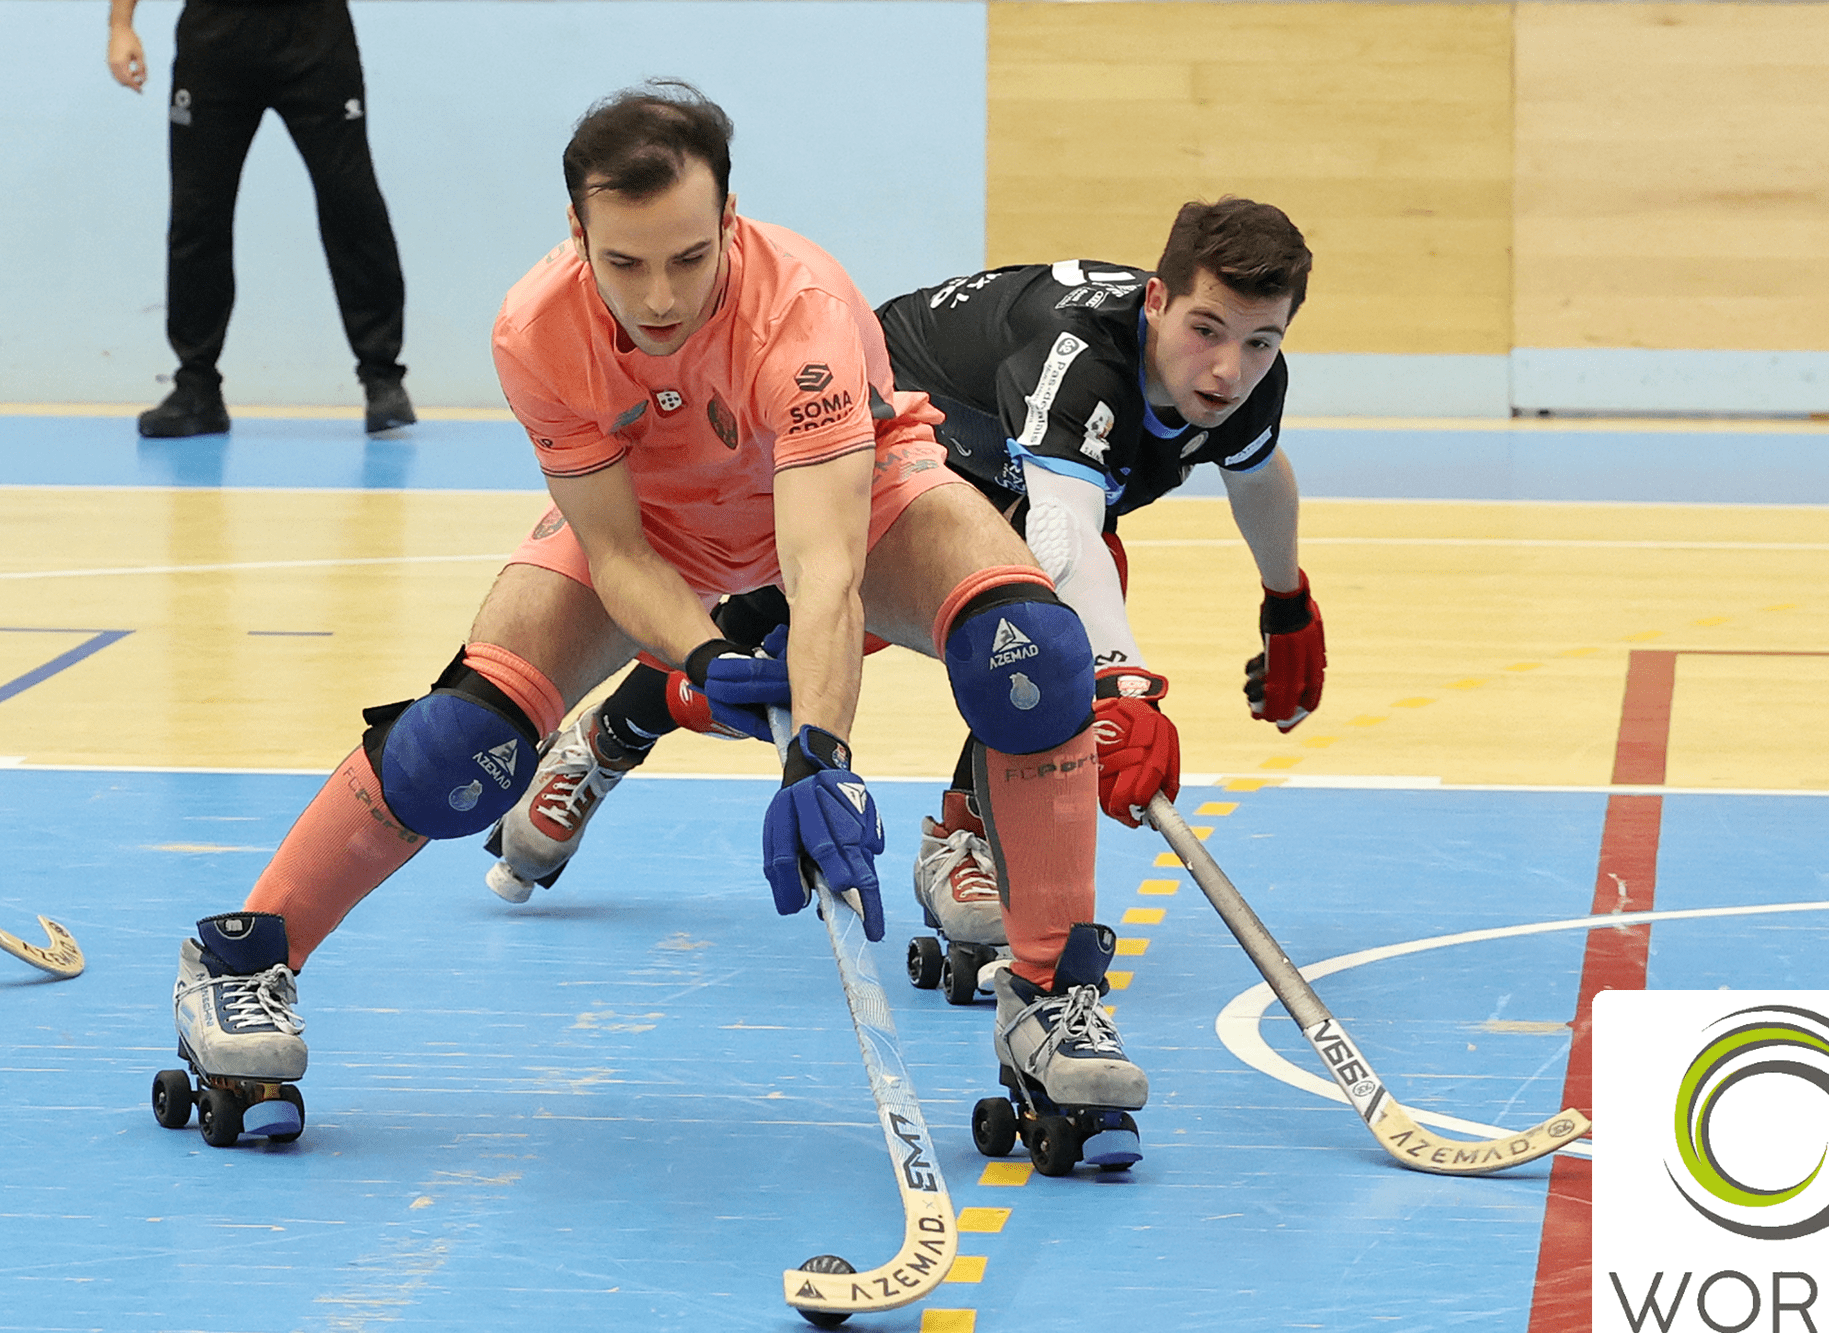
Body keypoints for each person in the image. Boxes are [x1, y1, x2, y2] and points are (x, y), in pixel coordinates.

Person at [162, 81, 1147, 1165]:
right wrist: (705, 654)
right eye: (624, 263)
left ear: (730, 219)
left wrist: (821, 755)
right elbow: (620, 553)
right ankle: (241, 961)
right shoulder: (535, 328)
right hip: (657, 524)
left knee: (1031, 652)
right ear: (577, 233)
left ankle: (1050, 996)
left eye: (688, 257)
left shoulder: (805, 313)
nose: (660, 294)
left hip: (862, 500)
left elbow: (823, 571)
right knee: (459, 746)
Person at [485, 197, 1325, 983]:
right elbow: (1065, 529)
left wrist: (1286, 602)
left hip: (1007, 473)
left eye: (1261, 342)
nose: (1229, 369)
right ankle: (605, 741)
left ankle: (968, 838)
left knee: (1030, 638)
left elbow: (1256, 474)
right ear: (1156, 302)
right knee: (769, 660)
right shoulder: (1081, 362)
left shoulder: (1246, 378)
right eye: (1206, 330)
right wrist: (1120, 686)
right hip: (899, 415)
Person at [107, 0, 416, 438]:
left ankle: (382, 378)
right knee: (198, 215)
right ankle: (196, 388)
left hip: (314, 35)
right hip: (213, 39)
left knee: (351, 202)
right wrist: (121, 25)